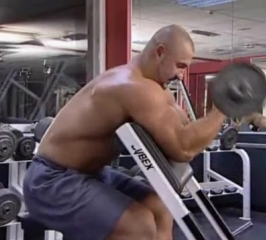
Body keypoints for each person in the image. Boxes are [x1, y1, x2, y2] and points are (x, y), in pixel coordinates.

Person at [23, 25, 225, 240]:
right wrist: (224, 107)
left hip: (92, 175)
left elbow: (186, 131)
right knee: (138, 226)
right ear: (160, 52)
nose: (181, 75)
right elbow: (183, 148)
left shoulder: (152, 88)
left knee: (160, 206)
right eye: (180, 66)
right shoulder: (132, 86)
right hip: (52, 181)